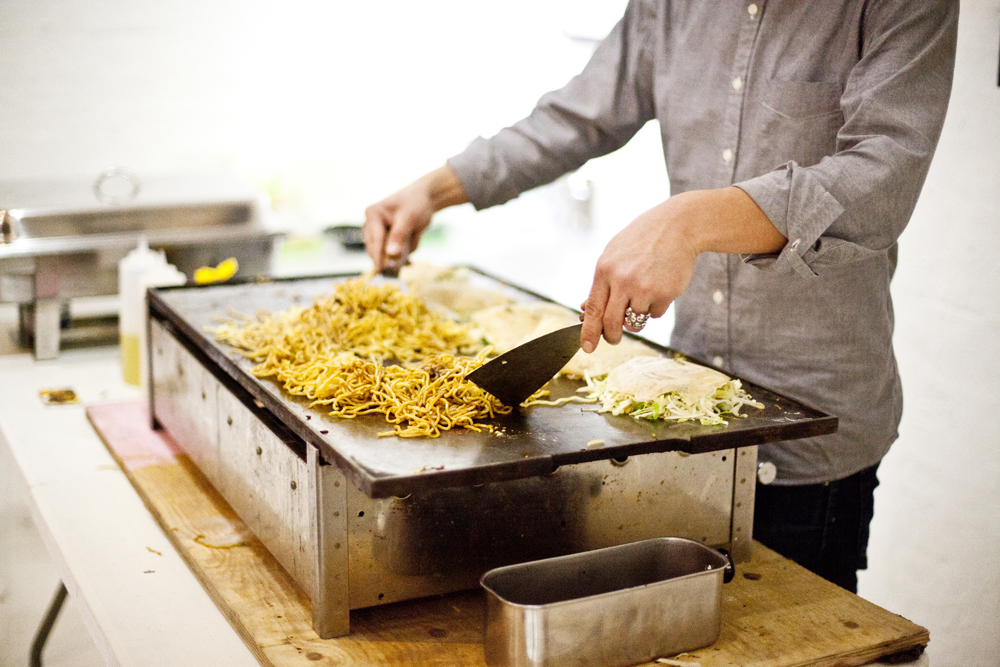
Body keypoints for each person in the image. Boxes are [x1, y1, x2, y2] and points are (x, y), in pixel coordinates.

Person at [363, 0, 958, 593]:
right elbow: (576, 118)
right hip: (685, 416)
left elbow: (882, 177)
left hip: (814, 441)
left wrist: (689, 221)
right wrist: (434, 188)